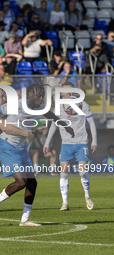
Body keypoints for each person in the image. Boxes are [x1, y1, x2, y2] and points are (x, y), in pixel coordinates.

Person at [0, 83, 74, 226]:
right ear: (30, 95)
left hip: (21, 148)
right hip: (7, 146)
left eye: (42, 97)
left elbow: (50, 114)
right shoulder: (16, 105)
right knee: (21, 182)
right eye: (39, 97)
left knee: (32, 182)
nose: (41, 100)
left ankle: (24, 220)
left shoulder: (38, 107)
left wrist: (65, 125)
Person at [43, 82, 97, 211]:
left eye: (70, 91)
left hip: (81, 142)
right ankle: (65, 202)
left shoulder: (83, 105)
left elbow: (92, 123)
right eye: (65, 91)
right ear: (61, 93)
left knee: (82, 172)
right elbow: (53, 125)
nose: (68, 93)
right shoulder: (59, 107)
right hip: (66, 143)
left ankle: (87, 195)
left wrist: (94, 141)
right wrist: (47, 142)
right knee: (63, 173)